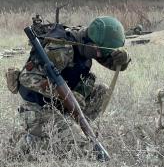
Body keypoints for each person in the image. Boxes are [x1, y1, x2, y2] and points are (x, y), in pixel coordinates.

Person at [9, 16, 131, 156]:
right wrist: (64, 95)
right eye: (98, 51)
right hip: (38, 109)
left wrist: (123, 60)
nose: (99, 55)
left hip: (63, 105)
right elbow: (26, 78)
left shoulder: (87, 41)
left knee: (101, 91)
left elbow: (111, 61)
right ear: (91, 43)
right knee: (80, 147)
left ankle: (75, 129)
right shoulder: (61, 50)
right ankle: (29, 141)